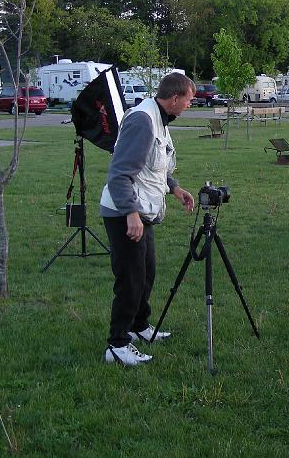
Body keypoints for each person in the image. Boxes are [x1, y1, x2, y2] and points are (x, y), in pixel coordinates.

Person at [100, 73, 196, 365]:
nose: (190, 105)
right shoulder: (142, 120)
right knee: (131, 278)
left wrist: (175, 188)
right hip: (124, 213)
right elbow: (119, 173)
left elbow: (153, 167)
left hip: (143, 212)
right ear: (175, 98)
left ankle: (140, 326)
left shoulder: (159, 121)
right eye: (189, 100)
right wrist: (130, 213)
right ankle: (117, 345)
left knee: (147, 272)